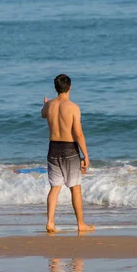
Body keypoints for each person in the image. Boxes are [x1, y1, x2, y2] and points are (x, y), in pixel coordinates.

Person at [41, 74, 94, 233]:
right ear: (70, 87)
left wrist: (45, 103)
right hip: (69, 149)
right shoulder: (73, 107)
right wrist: (86, 155)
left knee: (55, 187)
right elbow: (78, 134)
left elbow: (43, 114)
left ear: (56, 88)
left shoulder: (49, 105)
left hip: (53, 148)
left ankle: (50, 222)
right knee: (75, 188)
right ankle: (81, 224)